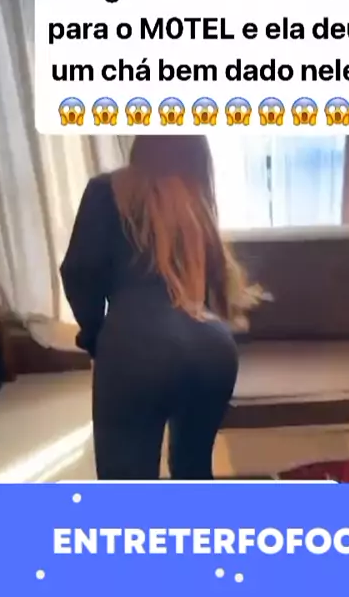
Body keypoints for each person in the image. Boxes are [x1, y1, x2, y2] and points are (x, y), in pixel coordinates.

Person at [60, 135, 262, 480]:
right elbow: (217, 287)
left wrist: (96, 336)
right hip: (213, 347)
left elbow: (78, 273)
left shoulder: (106, 190)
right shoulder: (194, 197)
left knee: (128, 485)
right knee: (193, 470)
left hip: (136, 348)